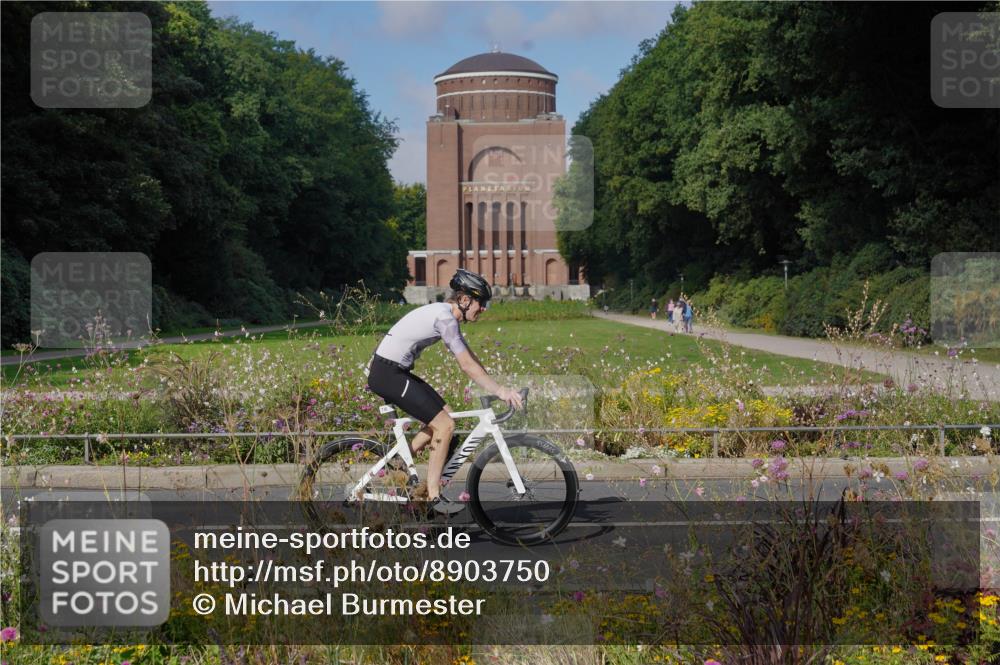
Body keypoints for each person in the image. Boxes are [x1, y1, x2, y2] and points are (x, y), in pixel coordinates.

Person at [366, 269, 523, 506]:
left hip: (393, 371)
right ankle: (432, 496)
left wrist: (496, 386)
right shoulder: (445, 318)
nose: (483, 309)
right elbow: (466, 365)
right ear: (464, 300)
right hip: (388, 374)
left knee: (448, 416)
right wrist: (501, 391)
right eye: (481, 303)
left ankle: (398, 464)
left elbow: (469, 356)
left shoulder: (445, 316)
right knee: (445, 425)